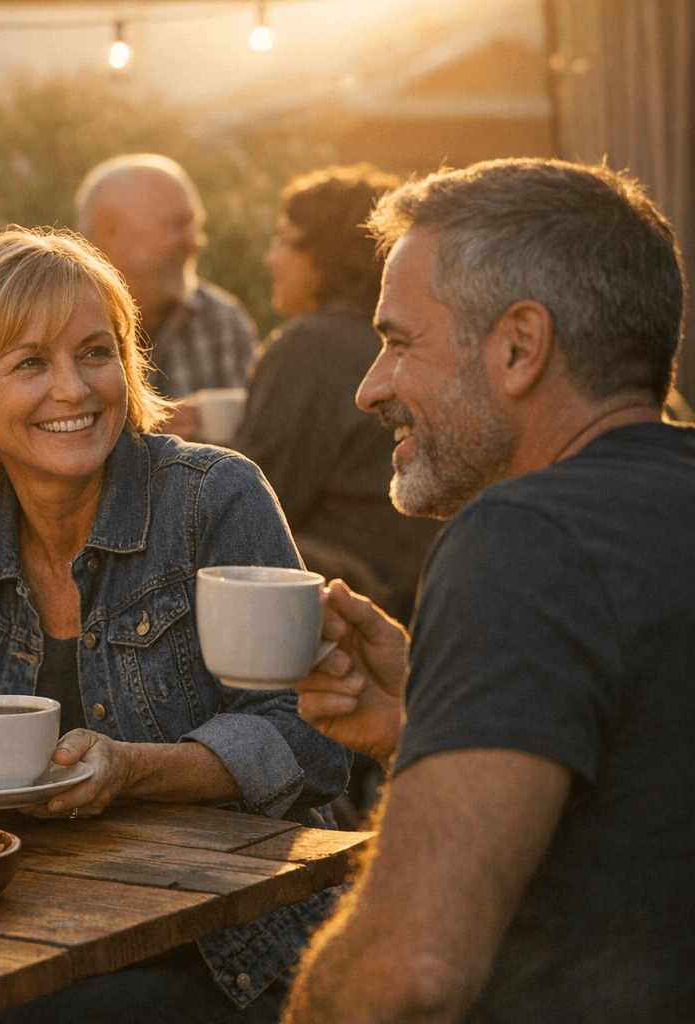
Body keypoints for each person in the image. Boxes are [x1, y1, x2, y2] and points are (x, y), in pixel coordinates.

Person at [0, 228, 351, 1022]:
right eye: (30, 363)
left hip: (226, 939)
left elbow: (312, 741)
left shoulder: (214, 497)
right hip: (14, 919)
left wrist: (131, 769)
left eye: (95, 353)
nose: (74, 390)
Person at [281, 159, 695, 1022]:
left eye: (398, 341)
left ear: (518, 346)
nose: (370, 387)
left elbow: (407, 973)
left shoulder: (526, 536)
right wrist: (422, 728)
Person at [235, 163, 442, 627]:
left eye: (285, 240)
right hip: (426, 598)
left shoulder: (308, 346)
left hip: (350, 613)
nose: (272, 258)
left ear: (324, 257)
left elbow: (245, 513)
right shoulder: (408, 340)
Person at [75, 153, 258, 437]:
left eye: (194, 225)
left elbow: (260, 442)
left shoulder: (222, 320)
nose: (194, 243)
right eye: (177, 224)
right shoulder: (52, 321)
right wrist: (135, 434)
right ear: (109, 230)